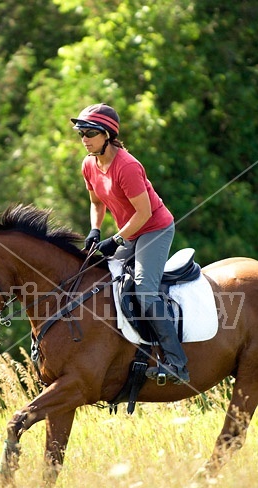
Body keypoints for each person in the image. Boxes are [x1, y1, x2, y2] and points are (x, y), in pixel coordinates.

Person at [71, 103, 190, 384]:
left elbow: (145, 213)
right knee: (100, 281)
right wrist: (95, 230)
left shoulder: (127, 166)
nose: (84, 139)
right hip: (130, 231)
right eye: (81, 134)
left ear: (108, 135)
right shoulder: (89, 164)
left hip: (154, 229)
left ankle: (177, 363)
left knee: (145, 292)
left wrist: (117, 239)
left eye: (90, 133)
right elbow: (96, 203)